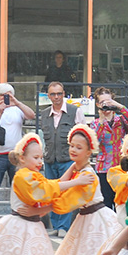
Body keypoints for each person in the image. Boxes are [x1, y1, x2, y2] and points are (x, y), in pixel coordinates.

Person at [53, 124, 123, 255]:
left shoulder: (88, 175)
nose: (73, 149)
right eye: (71, 145)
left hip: (96, 218)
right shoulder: (78, 169)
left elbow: (67, 199)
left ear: (89, 151)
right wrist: (73, 166)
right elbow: (60, 183)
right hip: (86, 217)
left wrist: (46, 204)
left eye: (79, 147)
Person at [0, 83, 35, 227]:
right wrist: (0, 111)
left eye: (8, 95)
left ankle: (19, 217)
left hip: (16, 156)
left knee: (19, 189)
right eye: (2, 95)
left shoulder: (17, 110)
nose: (5, 98)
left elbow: (31, 115)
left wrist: (16, 102)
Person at [40, 81, 86, 238]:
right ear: (48, 96)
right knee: (51, 193)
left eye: (59, 93)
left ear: (64, 93)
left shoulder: (75, 111)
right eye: (53, 94)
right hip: (50, 159)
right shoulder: (45, 113)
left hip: (67, 159)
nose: (56, 97)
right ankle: (56, 224)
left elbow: (83, 134)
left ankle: (64, 227)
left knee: (66, 193)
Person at [90, 86, 128, 209]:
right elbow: (95, 142)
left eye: (108, 101)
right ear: (97, 104)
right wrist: (102, 120)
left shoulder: (120, 120)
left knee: (121, 201)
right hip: (104, 168)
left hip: (120, 166)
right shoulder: (95, 123)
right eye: (102, 102)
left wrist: (118, 106)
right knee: (106, 202)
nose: (106, 105)